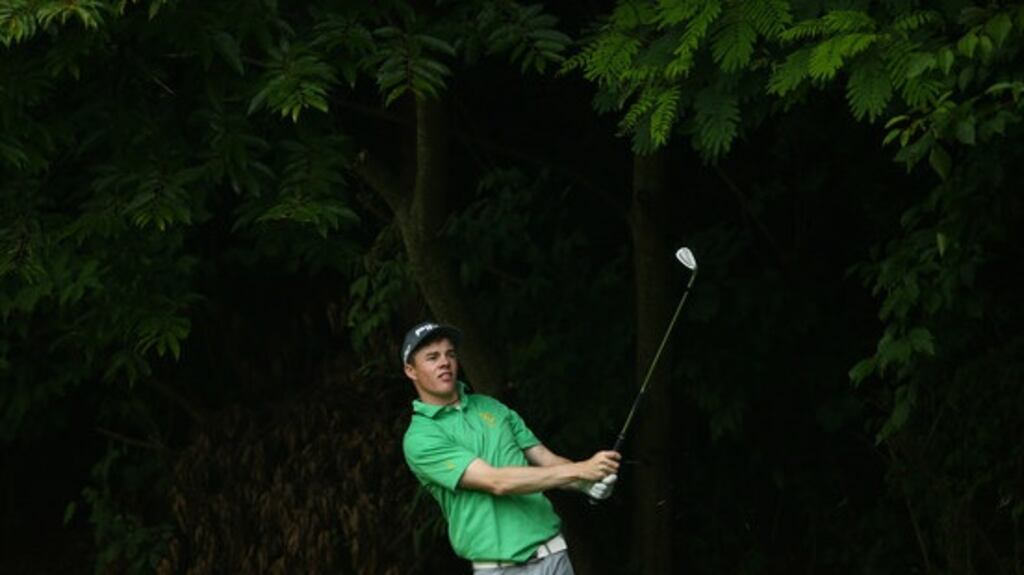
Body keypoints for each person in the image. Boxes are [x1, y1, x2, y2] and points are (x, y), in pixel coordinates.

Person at [400, 321, 621, 574]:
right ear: (411, 370)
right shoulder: (420, 437)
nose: (444, 362)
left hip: (554, 557)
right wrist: (581, 471)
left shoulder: (492, 407)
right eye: (432, 357)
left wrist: (588, 484)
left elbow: (547, 460)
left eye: (450, 354)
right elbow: (496, 481)